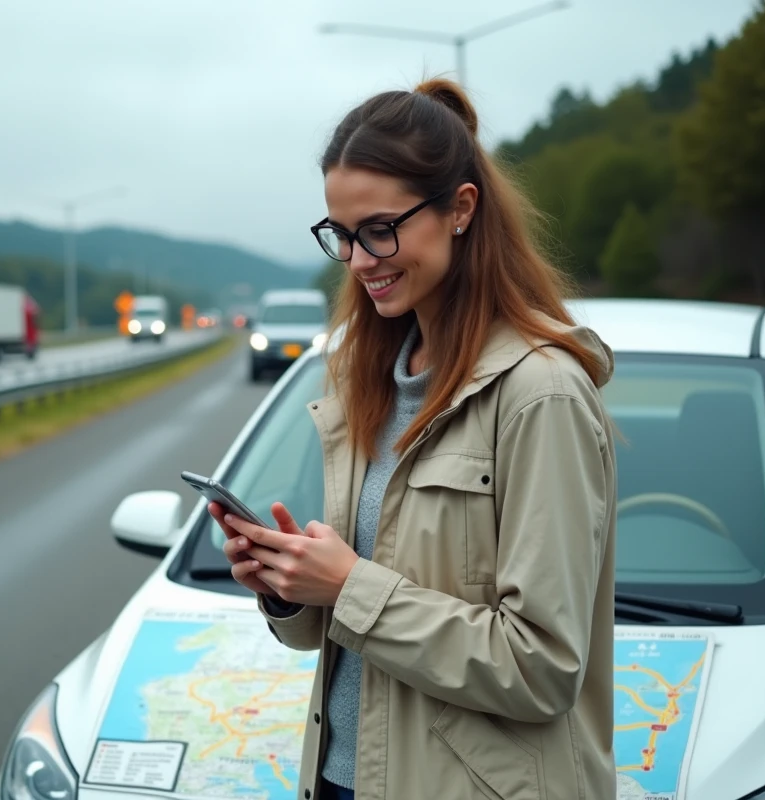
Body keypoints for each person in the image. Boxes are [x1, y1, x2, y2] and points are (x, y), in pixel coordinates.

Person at [209, 78, 617, 800]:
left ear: (461, 209)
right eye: (343, 234)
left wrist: (347, 583)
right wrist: (289, 589)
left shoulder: (540, 394)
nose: (362, 259)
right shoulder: (367, 384)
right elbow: (355, 632)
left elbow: (541, 667)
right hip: (342, 780)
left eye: (380, 229)